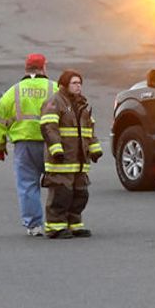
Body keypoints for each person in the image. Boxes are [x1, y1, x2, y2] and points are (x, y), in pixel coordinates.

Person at [0, 54, 58, 236]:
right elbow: (68, 112)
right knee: (59, 182)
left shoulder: (14, 91)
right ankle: (58, 221)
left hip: (24, 144)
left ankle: (34, 225)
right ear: (44, 68)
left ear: (26, 69)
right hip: (52, 145)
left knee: (28, 184)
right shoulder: (54, 88)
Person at [39, 69, 102, 238]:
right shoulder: (55, 102)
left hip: (79, 160)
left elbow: (90, 129)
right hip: (61, 160)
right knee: (61, 194)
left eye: (80, 83)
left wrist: (95, 149)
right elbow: (48, 127)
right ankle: (55, 227)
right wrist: (56, 149)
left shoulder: (83, 105)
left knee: (80, 193)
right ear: (64, 84)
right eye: (74, 83)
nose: (78, 86)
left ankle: (74, 224)